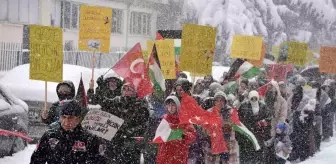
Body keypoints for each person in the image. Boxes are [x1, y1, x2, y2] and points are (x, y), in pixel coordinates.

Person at [30, 100, 104, 164]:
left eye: (71, 118)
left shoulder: (89, 139)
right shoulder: (50, 136)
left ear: (78, 119)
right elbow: (36, 159)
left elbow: (98, 161)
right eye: (63, 117)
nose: (66, 122)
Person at [100, 82, 149, 164]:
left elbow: (143, 124)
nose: (126, 91)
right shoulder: (116, 101)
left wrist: (128, 131)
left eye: (129, 89)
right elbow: (103, 104)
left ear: (134, 92)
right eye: (124, 89)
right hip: (115, 142)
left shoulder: (140, 104)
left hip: (131, 143)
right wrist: (100, 86)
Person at [156, 96, 196, 164]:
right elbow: (159, 134)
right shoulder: (164, 118)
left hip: (179, 154)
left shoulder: (184, 119)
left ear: (177, 106)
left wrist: (182, 136)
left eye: (173, 105)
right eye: (168, 105)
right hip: (165, 154)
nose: (170, 108)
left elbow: (193, 135)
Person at [237, 90, 271, 164]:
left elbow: (269, 118)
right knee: (247, 156)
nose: (254, 100)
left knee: (259, 154)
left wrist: (261, 123)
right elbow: (239, 120)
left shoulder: (263, 106)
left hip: (259, 134)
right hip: (247, 135)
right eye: (252, 98)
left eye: (255, 98)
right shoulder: (244, 106)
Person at [205, 91, 239, 164]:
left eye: (221, 100)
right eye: (217, 100)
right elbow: (205, 128)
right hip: (213, 143)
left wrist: (227, 126)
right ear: (214, 101)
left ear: (225, 101)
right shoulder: (209, 112)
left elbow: (235, 125)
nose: (219, 102)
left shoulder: (231, 112)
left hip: (227, 143)